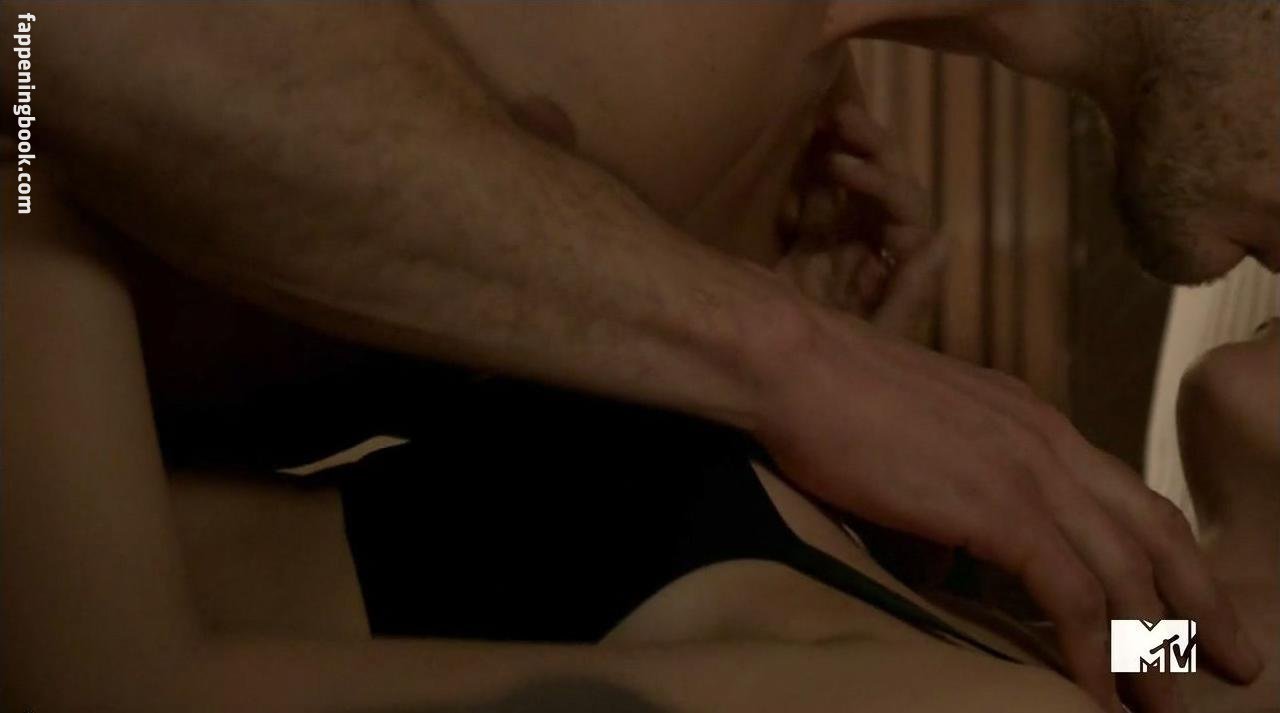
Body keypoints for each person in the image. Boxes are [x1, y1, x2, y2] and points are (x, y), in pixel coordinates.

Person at [3, 0, 1276, 709]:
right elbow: (1192, 660)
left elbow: (55, 44)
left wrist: (29, 116)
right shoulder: (1113, 639)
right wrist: (774, 413)